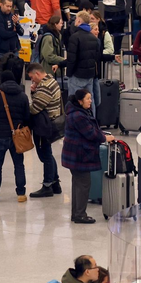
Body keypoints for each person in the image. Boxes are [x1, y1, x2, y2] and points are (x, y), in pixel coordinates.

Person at [62, 89, 115, 223]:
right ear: (80, 101)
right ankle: (80, 215)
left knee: (78, 184)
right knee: (83, 185)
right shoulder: (78, 116)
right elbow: (90, 133)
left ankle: (76, 214)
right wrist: (105, 138)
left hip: (74, 154)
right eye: (88, 99)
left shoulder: (77, 112)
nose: (90, 101)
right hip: (79, 155)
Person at [0, 70, 29, 203]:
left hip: (0, 135)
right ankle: (21, 194)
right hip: (17, 137)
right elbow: (27, 117)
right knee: (19, 164)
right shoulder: (23, 95)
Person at [27, 63, 63, 198]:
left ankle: (47, 186)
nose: (32, 80)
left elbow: (35, 108)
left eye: (32, 77)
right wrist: (34, 91)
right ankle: (55, 184)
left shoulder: (45, 87)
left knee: (45, 155)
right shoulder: (51, 80)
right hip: (51, 123)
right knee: (48, 154)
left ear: (37, 73)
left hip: (44, 125)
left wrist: (30, 98)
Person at [66, 11, 101, 117]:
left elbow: (71, 59)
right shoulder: (94, 38)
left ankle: (75, 122)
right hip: (90, 75)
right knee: (90, 101)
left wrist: (69, 73)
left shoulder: (75, 37)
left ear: (79, 21)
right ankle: (91, 121)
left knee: (74, 101)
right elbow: (96, 57)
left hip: (77, 75)